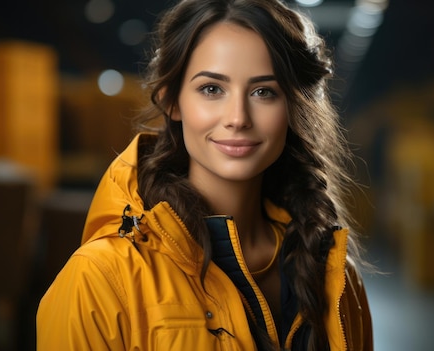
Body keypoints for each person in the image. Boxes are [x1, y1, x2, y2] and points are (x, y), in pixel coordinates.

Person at [36, 0, 372, 350]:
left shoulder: (336, 279)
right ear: (172, 100)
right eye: (212, 89)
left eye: (263, 92)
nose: (238, 117)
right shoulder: (99, 281)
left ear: (292, 107)